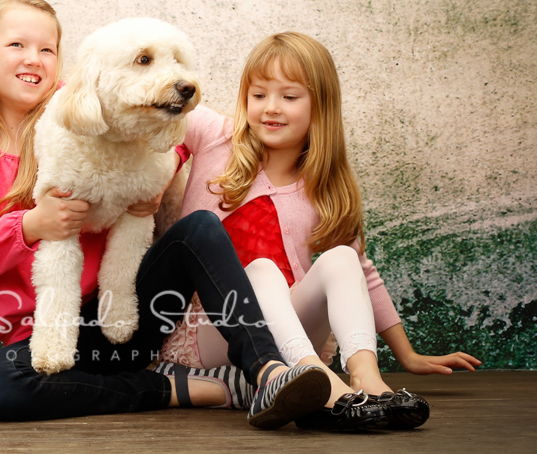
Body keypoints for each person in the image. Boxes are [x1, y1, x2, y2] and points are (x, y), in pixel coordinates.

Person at [0, 0, 333, 427]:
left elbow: (159, 124)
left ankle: (266, 370)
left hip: (126, 312)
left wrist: (158, 180)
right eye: (16, 46)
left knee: (200, 229)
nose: (34, 59)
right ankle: (167, 388)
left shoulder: (86, 99)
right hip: (42, 337)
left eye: (47, 49)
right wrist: (31, 225)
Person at [158, 32, 481, 431]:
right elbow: (150, 111)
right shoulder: (216, 137)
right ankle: (321, 383)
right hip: (215, 329)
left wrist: (408, 356)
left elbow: (364, 275)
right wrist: (155, 179)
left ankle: (367, 379)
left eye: (289, 97)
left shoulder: (325, 188)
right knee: (261, 271)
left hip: (289, 331)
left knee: (342, 258)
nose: (271, 109)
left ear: (320, 105)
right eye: (258, 95)